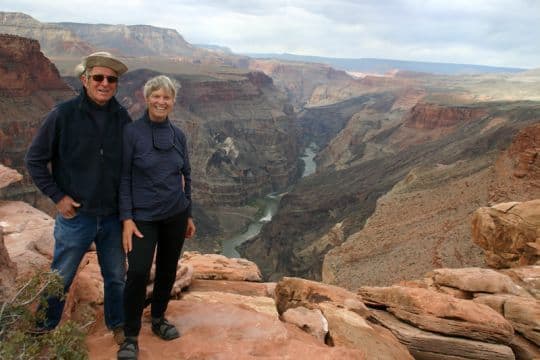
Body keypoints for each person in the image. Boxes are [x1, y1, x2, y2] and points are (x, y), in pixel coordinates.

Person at [25, 51, 132, 343]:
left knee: (115, 276)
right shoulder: (63, 114)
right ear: (84, 80)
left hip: (111, 217)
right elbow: (34, 159)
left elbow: (131, 165)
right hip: (77, 217)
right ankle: (42, 331)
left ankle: (118, 326)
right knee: (61, 276)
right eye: (98, 77)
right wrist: (57, 197)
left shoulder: (122, 117)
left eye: (111, 79)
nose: (105, 83)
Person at [117, 75, 195, 360]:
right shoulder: (132, 133)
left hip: (175, 214)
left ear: (173, 102)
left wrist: (189, 213)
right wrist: (126, 218)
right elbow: (123, 178)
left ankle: (159, 318)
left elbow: (186, 175)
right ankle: (130, 335)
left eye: (167, 97)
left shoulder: (178, 136)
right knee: (137, 272)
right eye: (156, 96)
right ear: (146, 98)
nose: (161, 102)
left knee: (167, 268)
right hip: (143, 217)